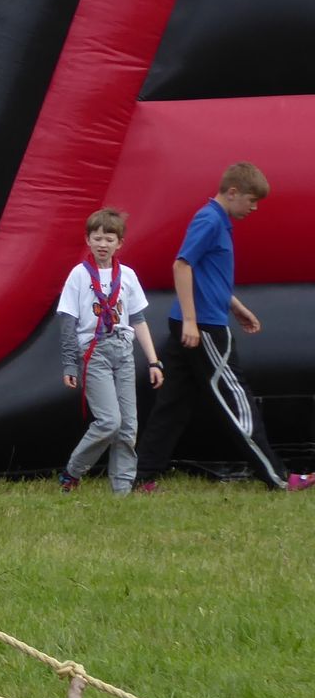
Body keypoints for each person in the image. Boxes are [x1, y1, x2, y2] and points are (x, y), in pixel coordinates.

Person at [135, 163, 312, 491]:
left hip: (197, 320)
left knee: (173, 404)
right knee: (237, 400)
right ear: (232, 193)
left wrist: (237, 307)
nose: (254, 207)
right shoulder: (209, 219)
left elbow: (209, 274)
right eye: (251, 200)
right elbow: (182, 265)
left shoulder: (219, 221)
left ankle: (143, 477)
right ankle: (278, 477)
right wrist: (191, 320)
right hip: (203, 327)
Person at [53, 208, 163, 495]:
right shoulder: (79, 275)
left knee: (128, 425)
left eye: (109, 239)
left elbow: (137, 319)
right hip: (94, 352)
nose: (103, 244)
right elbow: (68, 320)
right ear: (88, 240)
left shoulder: (126, 275)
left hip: (123, 351)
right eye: (97, 238)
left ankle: (122, 490)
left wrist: (154, 361)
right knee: (109, 421)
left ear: (120, 243)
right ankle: (72, 472)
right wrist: (69, 365)